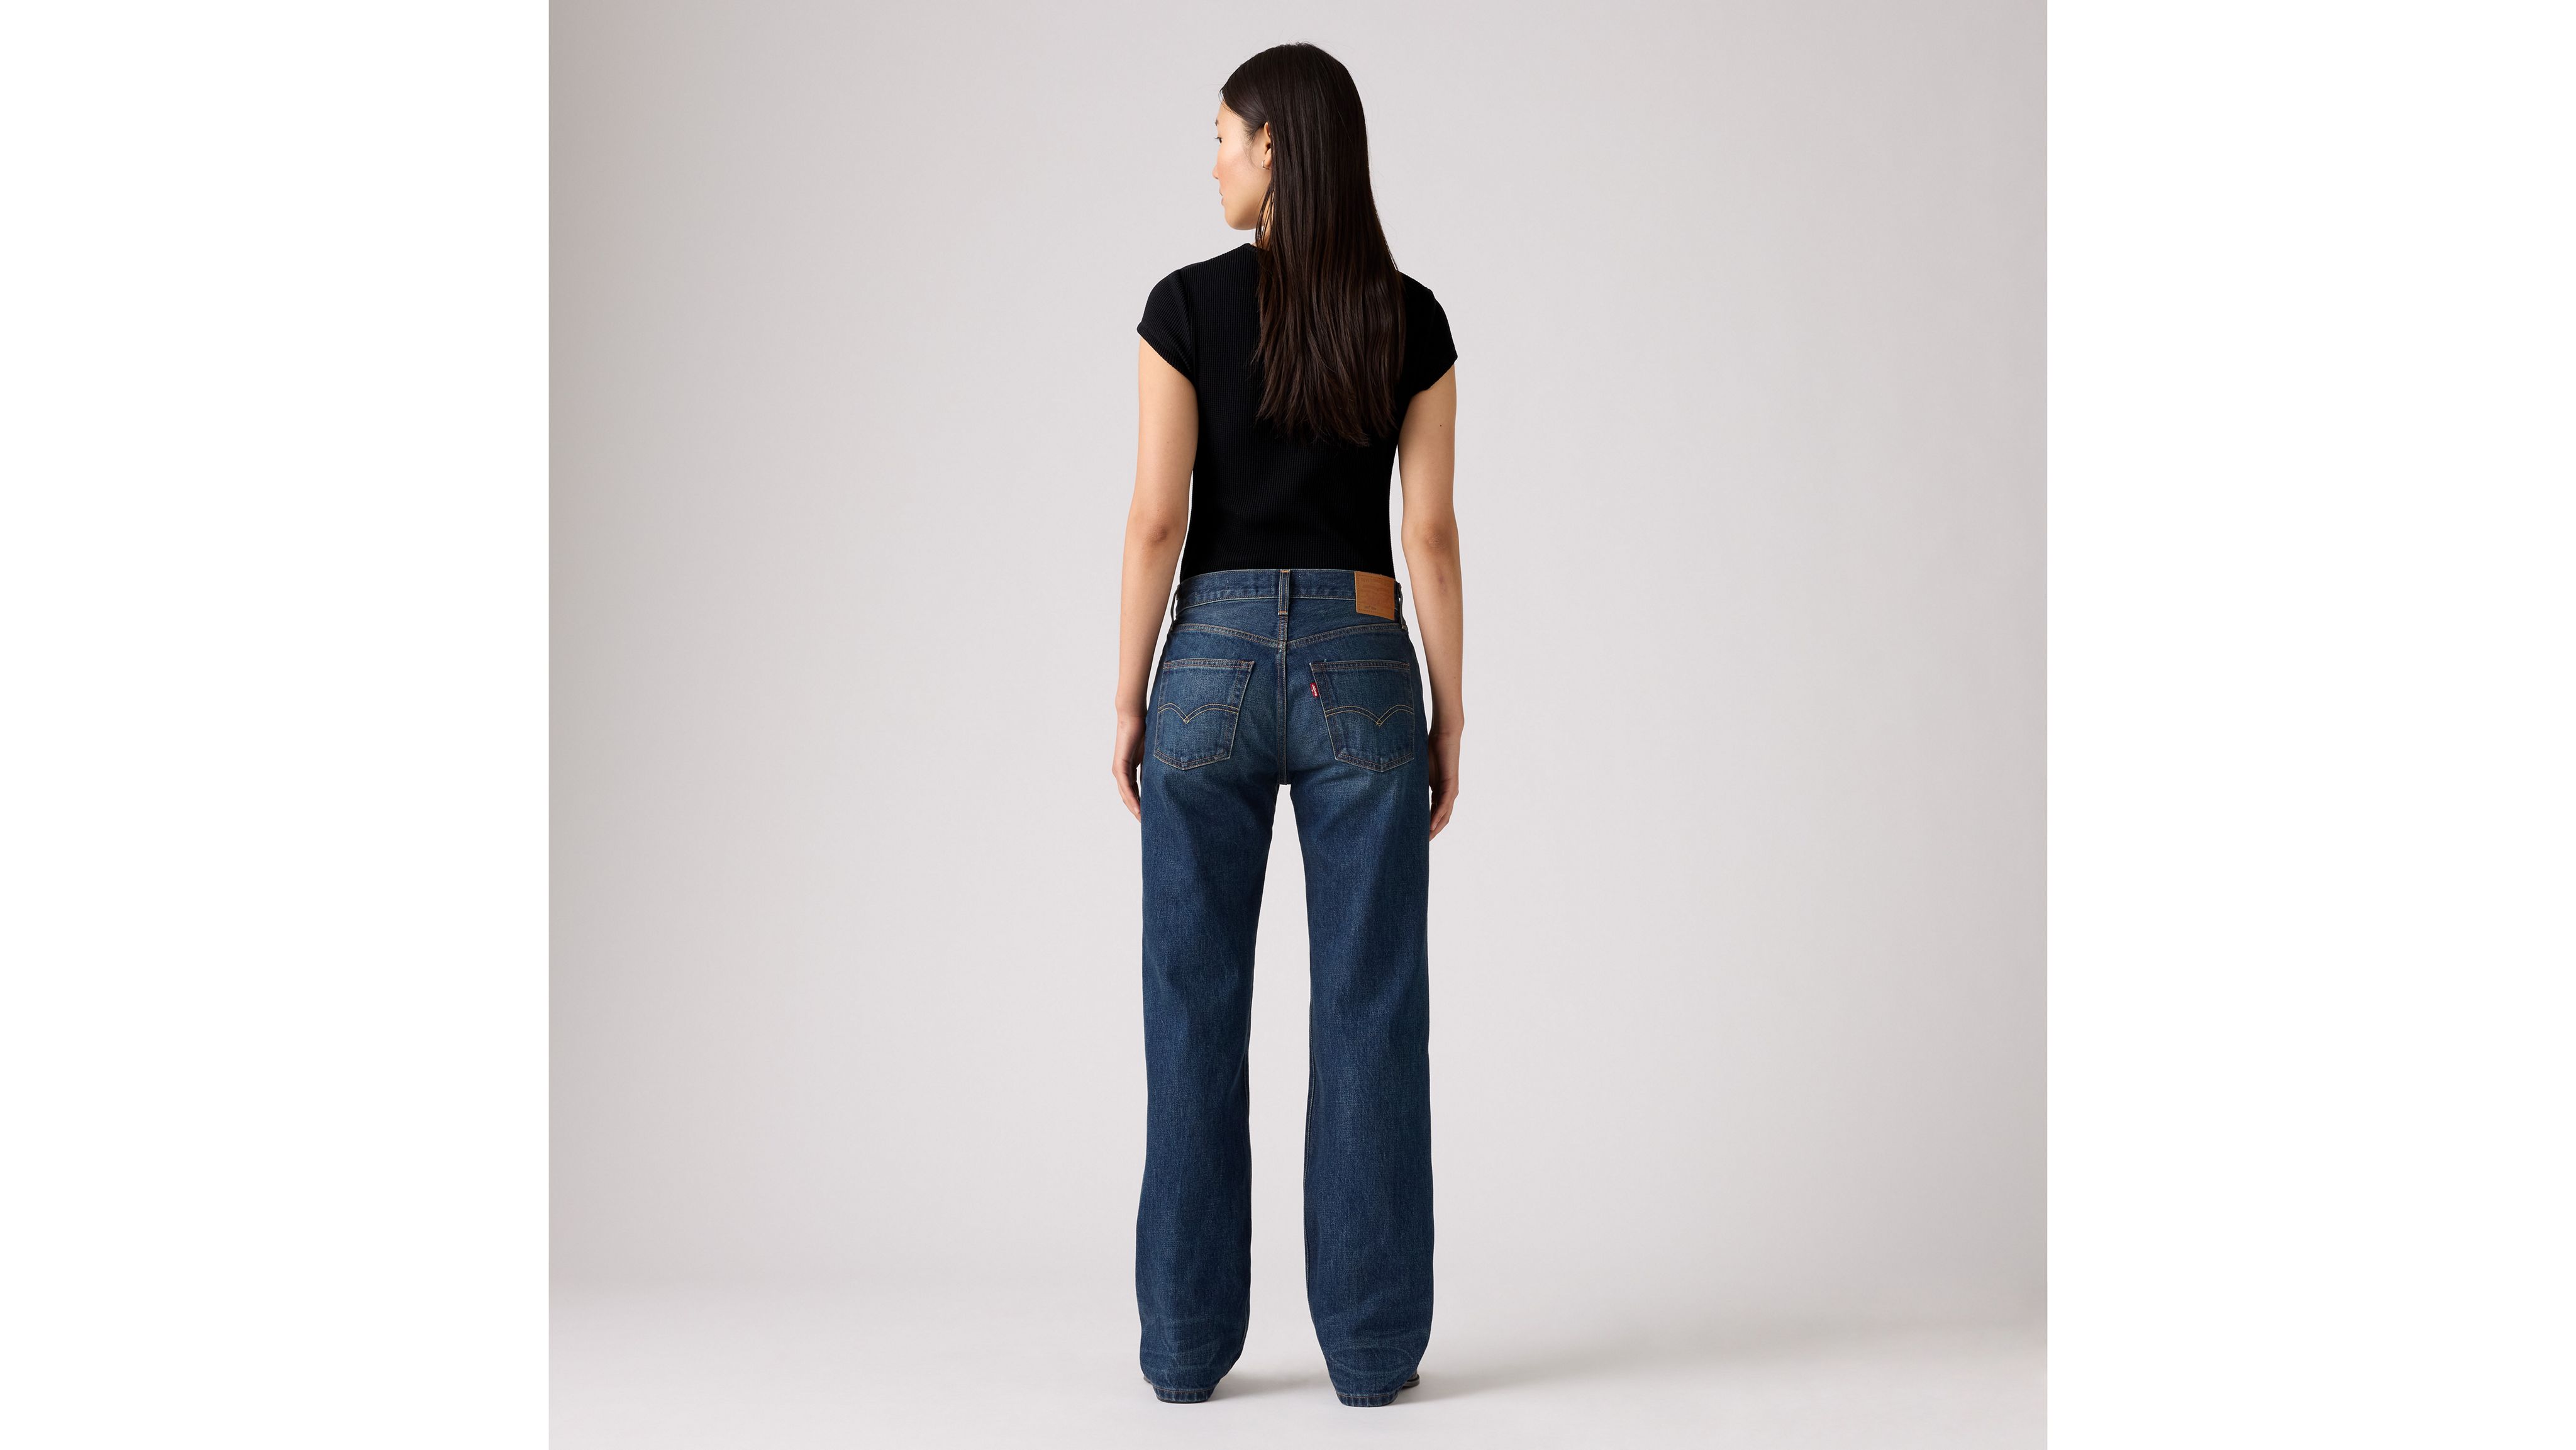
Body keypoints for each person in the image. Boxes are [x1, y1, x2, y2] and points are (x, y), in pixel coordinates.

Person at [1109, 42, 1463, 1410]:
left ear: (1275, 148)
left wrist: (1131, 692)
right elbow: (1428, 534)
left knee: (1191, 1008)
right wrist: (1446, 707)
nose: (1211, 161)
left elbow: (1158, 519)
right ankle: (1370, 1354)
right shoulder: (1409, 319)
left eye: (1222, 135)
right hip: (1364, 661)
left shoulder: (1183, 307)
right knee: (1370, 1008)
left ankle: (1184, 1349)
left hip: (1205, 659)